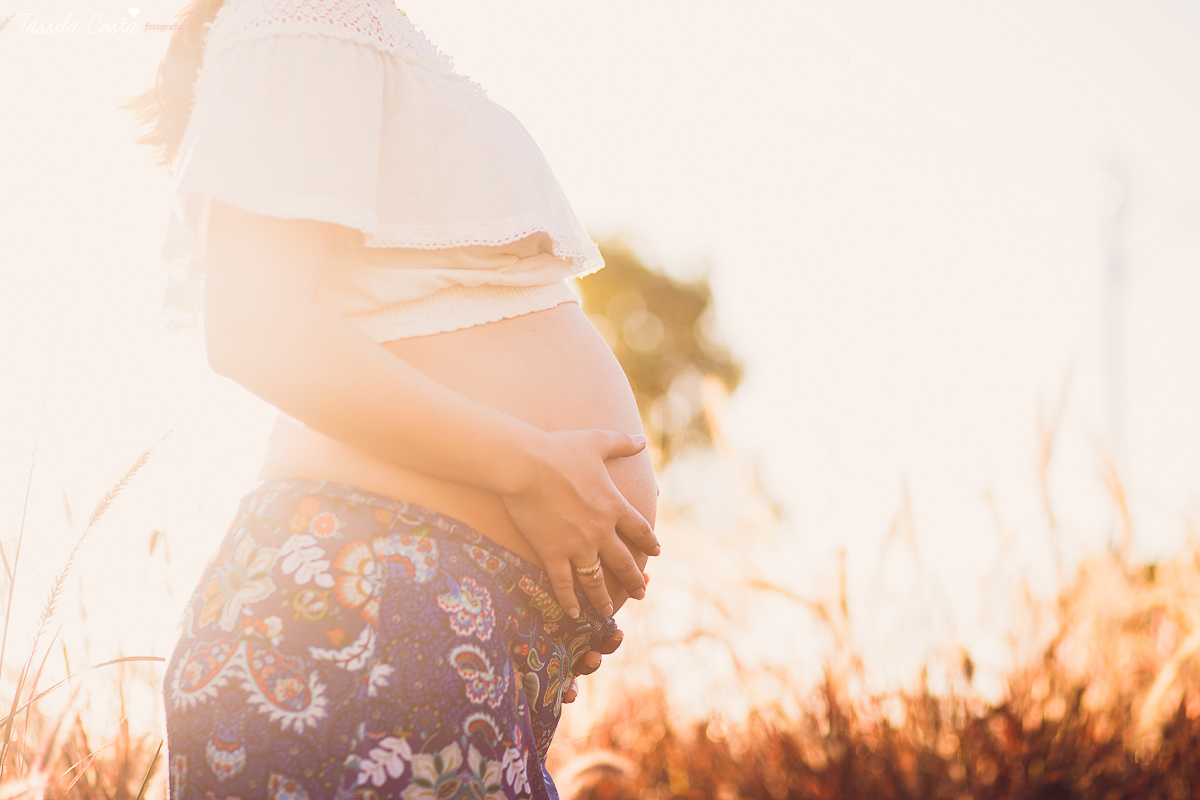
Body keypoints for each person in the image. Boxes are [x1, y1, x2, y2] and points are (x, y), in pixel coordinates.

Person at [126, 1, 659, 798]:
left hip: (425, 646)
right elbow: (258, 326)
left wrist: (540, 616)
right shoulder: (303, 13)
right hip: (367, 628)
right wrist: (532, 471)